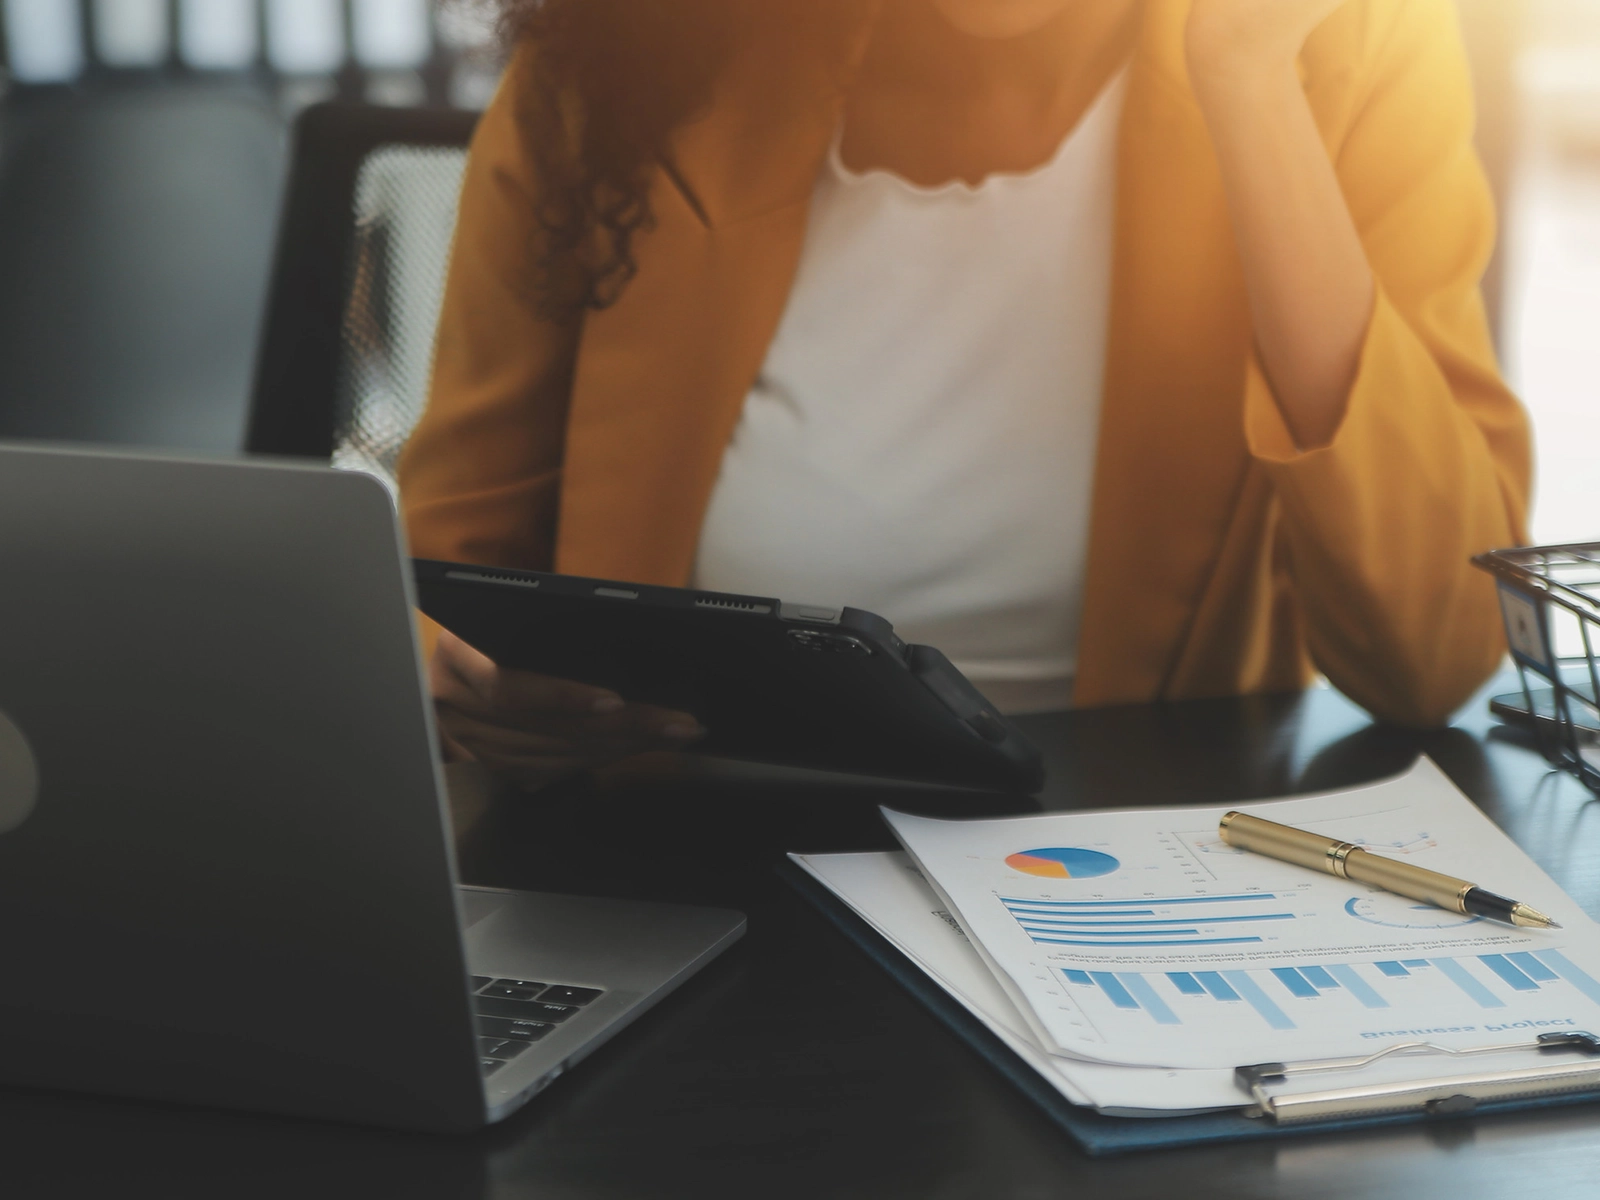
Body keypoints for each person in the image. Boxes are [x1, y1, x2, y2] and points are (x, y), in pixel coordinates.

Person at [399, 0, 1531, 791]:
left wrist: (1249, 81)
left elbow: (1430, 655)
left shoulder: (1346, 41)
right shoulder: (625, 49)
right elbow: (428, 580)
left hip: (1114, 871)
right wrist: (461, 686)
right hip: (675, 857)